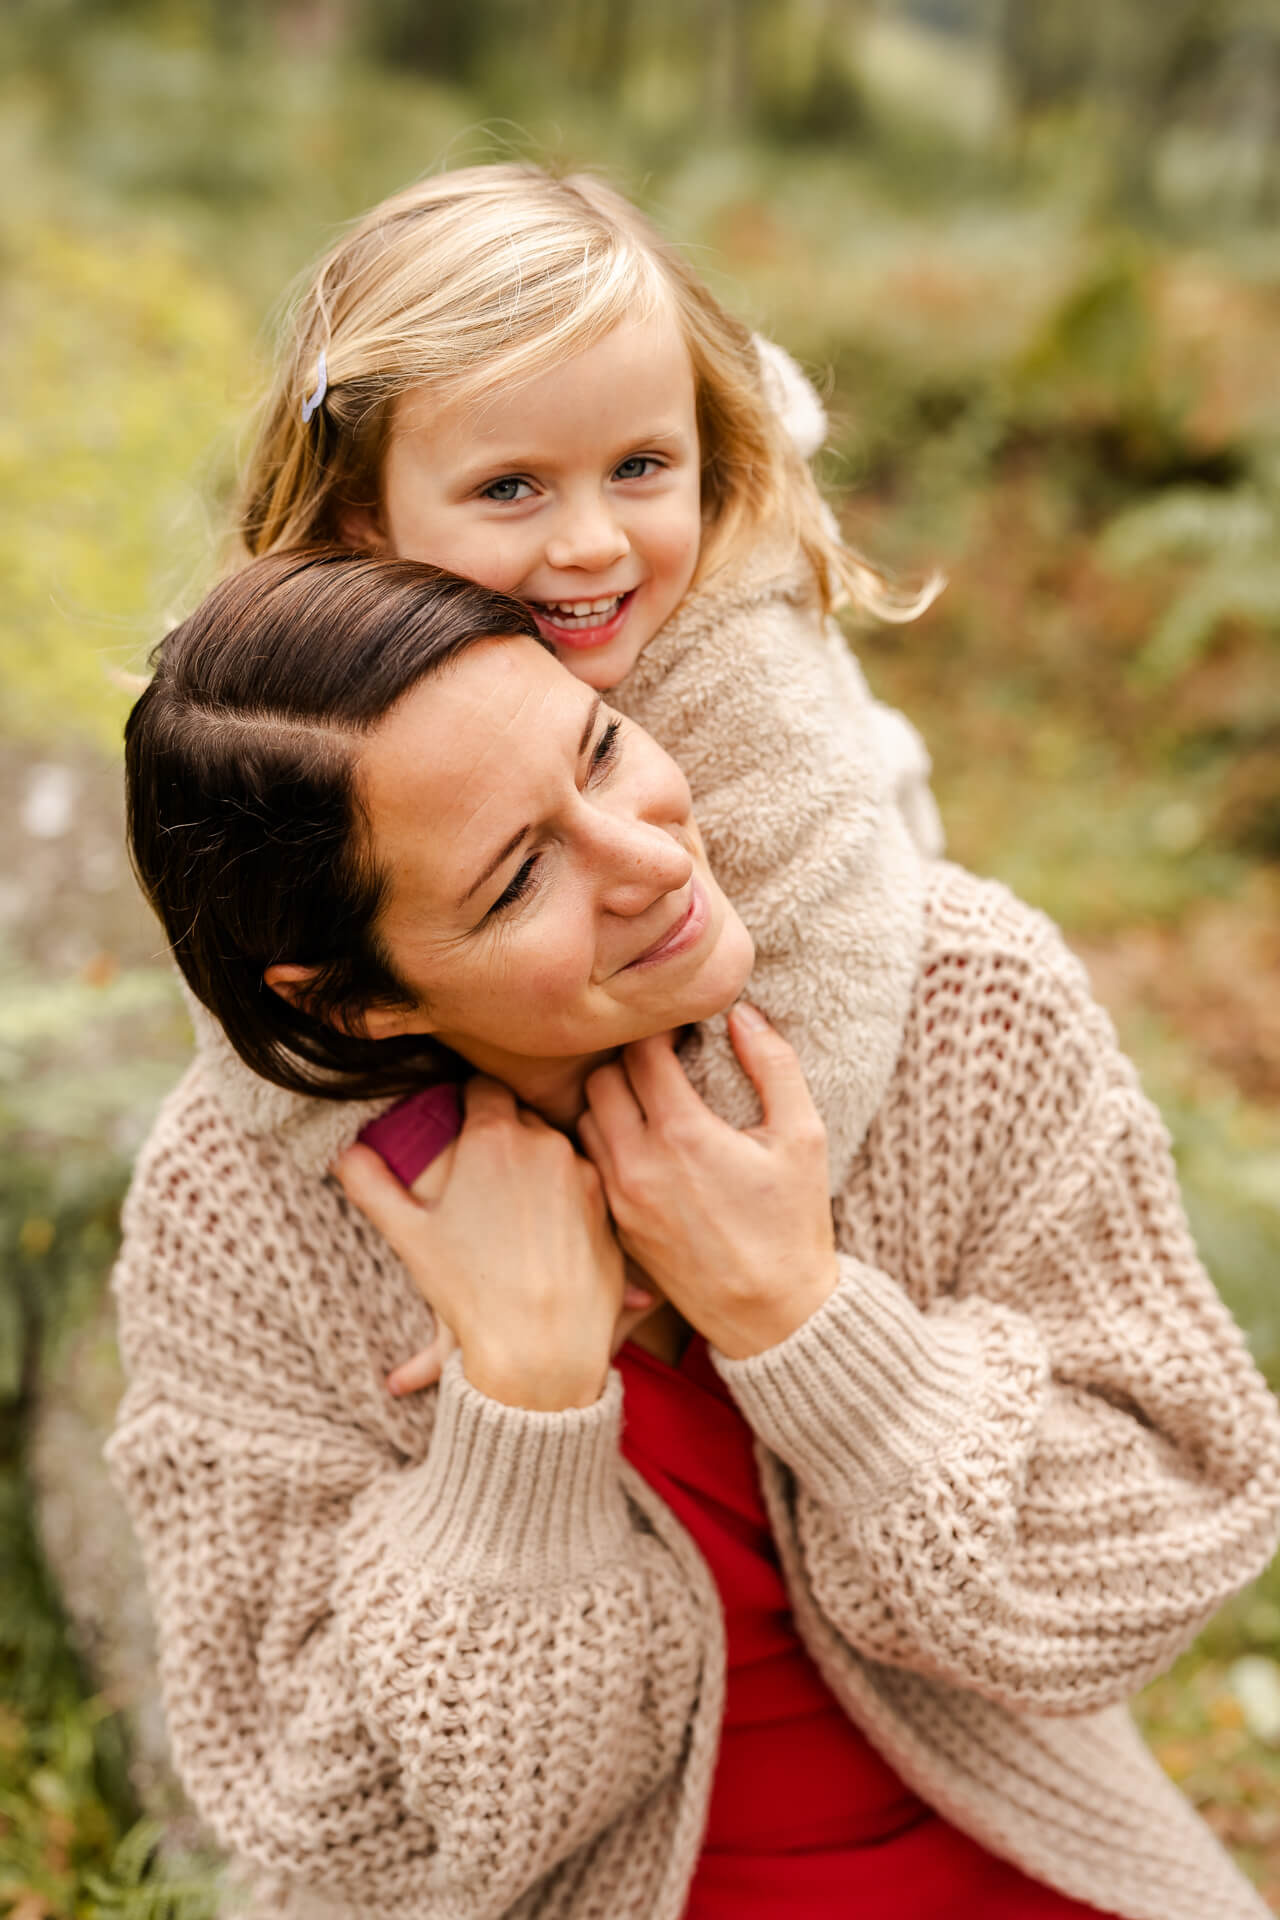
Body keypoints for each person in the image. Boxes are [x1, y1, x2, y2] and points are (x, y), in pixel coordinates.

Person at [112, 548, 1280, 1920]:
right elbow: (334, 1824)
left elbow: (1179, 1520)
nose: (651, 855)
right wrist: (520, 1420)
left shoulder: (961, 1000)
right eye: (514, 881)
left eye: (602, 751)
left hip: (1028, 1873)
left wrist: (810, 1323)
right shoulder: (238, 1223)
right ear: (356, 1001)